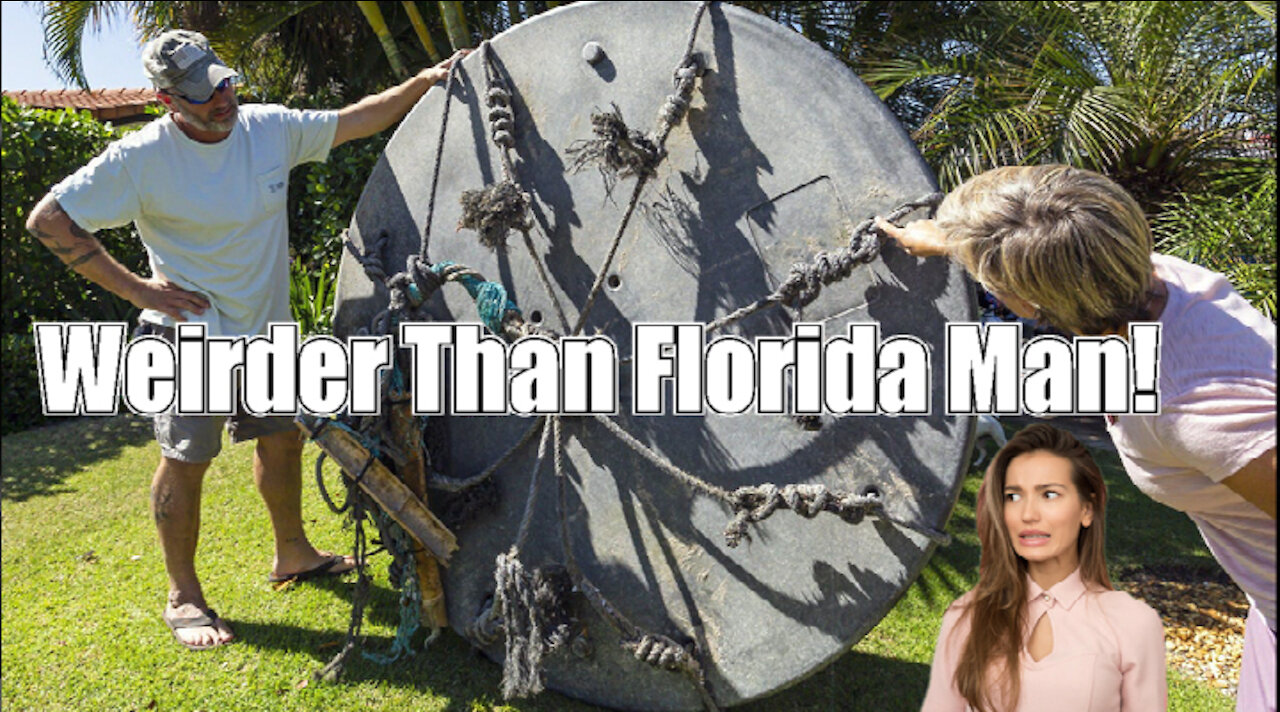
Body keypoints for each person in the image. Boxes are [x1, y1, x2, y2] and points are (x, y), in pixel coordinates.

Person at [25, 29, 468, 651]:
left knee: (281, 442)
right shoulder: (140, 158)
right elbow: (47, 220)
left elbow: (352, 120)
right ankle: (184, 596)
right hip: (189, 340)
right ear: (166, 100)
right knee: (187, 461)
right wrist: (141, 293)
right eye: (204, 93)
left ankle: (294, 553)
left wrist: (421, 82)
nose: (222, 98)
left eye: (224, 81)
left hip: (264, 330)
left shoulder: (269, 129)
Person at [878, 164, 1276, 712]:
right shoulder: (1149, 278)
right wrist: (949, 242)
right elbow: (1050, 237)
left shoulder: (1192, 408)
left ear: (1028, 301)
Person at [922, 424, 1167, 711]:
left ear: (1087, 509)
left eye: (1049, 494)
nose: (1028, 514)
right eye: (1013, 496)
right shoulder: (965, 617)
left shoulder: (1134, 624)